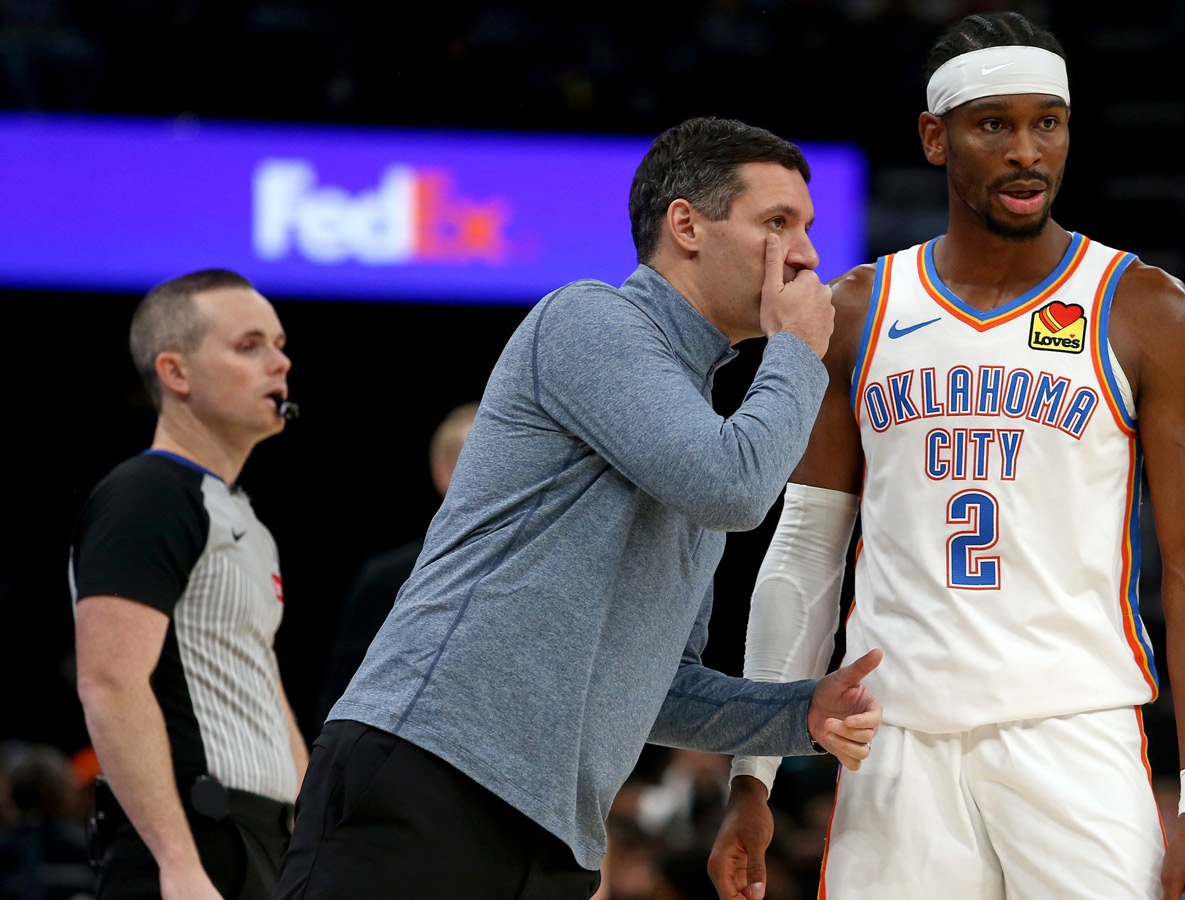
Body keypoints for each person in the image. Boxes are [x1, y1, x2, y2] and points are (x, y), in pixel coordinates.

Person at [273, 117, 884, 900]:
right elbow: (734, 488)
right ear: (686, 226)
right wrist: (797, 352)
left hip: (554, 834)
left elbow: (659, 688)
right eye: (777, 223)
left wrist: (802, 714)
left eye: (806, 228)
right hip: (431, 770)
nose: (804, 255)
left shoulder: (698, 423)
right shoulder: (591, 320)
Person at [710, 13, 1185, 900]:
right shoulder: (856, 309)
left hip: (1074, 729)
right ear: (935, 136)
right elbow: (805, 552)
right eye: (995, 123)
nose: (1027, 150)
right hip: (897, 739)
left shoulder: (1144, 308)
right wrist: (752, 779)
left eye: (1048, 123)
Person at [70, 269, 307, 900]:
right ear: (175, 373)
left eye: (279, 343)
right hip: (192, 847)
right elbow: (109, 681)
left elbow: (256, 675)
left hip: (258, 843)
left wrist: (309, 831)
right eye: (248, 345)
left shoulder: (243, 518)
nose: (279, 362)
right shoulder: (146, 497)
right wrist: (177, 862)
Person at [315, 401, 478, 723]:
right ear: (442, 473)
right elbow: (344, 695)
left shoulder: (545, 574)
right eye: (473, 462)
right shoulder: (389, 579)